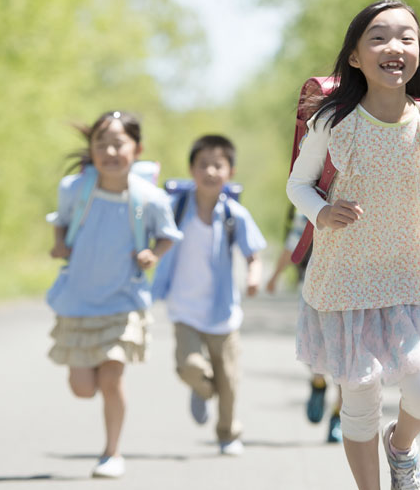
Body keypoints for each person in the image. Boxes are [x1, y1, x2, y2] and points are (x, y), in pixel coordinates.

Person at [286, 0, 420, 490]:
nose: (393, 47)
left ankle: (401, 447)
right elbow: (298, 184)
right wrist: (322, 212)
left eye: (406, 37)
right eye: (378, 38)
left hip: (410, 275)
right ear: (355, 56)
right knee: (359, 398)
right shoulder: (333, 121)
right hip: (345, 278)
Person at [45, 110, 182, 478]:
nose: (109, 151)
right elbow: (60, 221)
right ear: (91, 149)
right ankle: (107, 439)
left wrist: (153, 254)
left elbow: (168, 236)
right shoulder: (75, 189)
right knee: (82, 388)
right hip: (78, 301)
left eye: (118, 143)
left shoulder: (149, 198)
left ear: (137, 149)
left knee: (111, 379)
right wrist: (59, 244)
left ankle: (112, 453)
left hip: (123, 302)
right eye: (101, 144)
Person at [152, 135, 266, 456]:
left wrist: (254, 276)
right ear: (192, 169)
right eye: (203, 164)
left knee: (229, 380)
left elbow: (253, 254)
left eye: (218, 165)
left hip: (222, 311)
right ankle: (202, 388)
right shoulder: (175, 208)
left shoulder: (233, 214)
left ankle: (228, 434)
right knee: (188, 366)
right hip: (184, 308)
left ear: (230, 172)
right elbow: (148, 227)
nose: (210, 171)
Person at [266, 205, 343, 443]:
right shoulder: (313, 199)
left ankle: (338, 417)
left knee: (347, 359)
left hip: (352, 292)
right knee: (315, 349)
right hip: (314, 292)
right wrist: (275, 276)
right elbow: (294, 244)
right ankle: (318, 382)